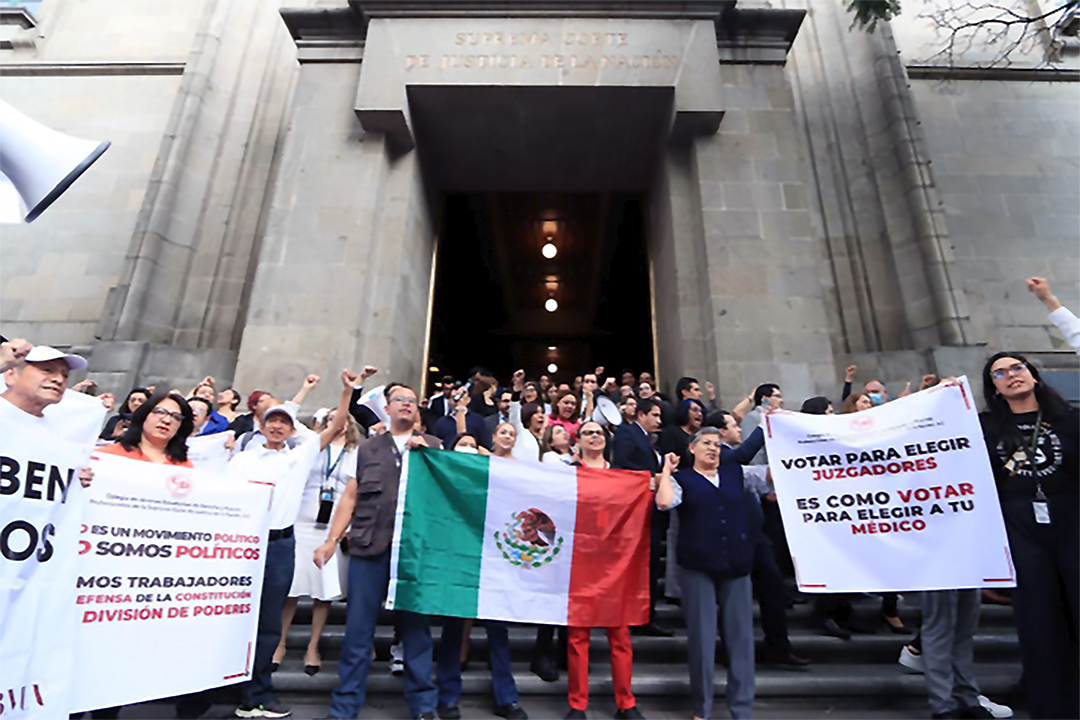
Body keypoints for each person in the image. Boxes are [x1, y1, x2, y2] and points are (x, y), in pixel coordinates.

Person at [228, 370, 356, 719]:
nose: (278, 426)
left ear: (291, 429)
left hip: (282, 546)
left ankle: (258, 694)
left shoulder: (298, 457)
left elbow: (336, 425)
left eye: (285, 422)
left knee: (270, 622)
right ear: (261, 424)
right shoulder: (242, 460)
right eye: (273, 421)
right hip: (243, 546)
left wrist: (347, 391)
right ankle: (226, 688)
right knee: (235, 619)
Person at [313, 385, 444, 720]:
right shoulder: (367, 448)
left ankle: (424, 705)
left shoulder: (435, 447)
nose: (406, 405)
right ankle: (345, 706)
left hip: (414, 555)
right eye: (400, 399)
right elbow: (350, 498)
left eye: (412, 402)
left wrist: (428, 456)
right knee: (358, 630)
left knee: (416, 632)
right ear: (387, 407)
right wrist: (331, 539)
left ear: (417, 412)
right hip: (369, 548)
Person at [979, 351, 1080, 720]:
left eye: (1017, 368)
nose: (1011, 375)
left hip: (1072, 525)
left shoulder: (1069, 420)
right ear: (994, 387)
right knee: (1039, 624)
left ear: (1033, 375)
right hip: (1021, 531)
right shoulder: (985, 427)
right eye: (999, 373)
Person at [655, 429, 757, 720]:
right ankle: (702, 708)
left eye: (717, 445)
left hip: (735, 565)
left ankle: (742, 708)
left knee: (741, 639)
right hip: (697, 567)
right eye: (706, 444)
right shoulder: (683, 479)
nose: (713, 449)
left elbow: (775, 477)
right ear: (692, 448)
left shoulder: (737, 473)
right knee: (701, 639)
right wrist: (665, 470)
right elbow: (663, 502)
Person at [436, 421, 528, 720]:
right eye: (462, 444)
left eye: (472, 445)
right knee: (452, 630)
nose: (468, 449)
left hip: (494, 560)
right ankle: (447, 697)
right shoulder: (446, 477)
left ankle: (507, 698)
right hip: (458, 560)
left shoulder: (493, 474)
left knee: (498, 631)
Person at [563, 419, 644, 720]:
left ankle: (626, 702)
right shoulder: (567, 475)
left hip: (616, 564)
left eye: (599, 433)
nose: (595, 437)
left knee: (620, 636)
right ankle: (577, 705)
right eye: (588, 433)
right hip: (579, 562)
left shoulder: (622, 476)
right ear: (578, 441)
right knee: (577, 637)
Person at [272, 409, 361, 676]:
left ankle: (313, 646)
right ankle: (280, 642)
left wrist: (349, 527)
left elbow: (356, 493)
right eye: (333, 416)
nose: (339, 421)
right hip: (302, 515)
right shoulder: (312, 445)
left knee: (323, 590)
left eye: (343, 417)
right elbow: (286, 414)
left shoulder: (357, 452)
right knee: (292, 585)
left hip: (334, 522)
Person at [611, 398, 671, 637]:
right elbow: (622, 465)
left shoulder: (648, 439)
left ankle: (647, 616)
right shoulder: (627, 433)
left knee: (652, 565)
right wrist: (651, 476)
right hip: (636, 510)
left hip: (651, 509)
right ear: (642, 414)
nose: (659, 420)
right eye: (655, 415)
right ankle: (638, 616)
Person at [658, 399, 705, 469]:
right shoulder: (671, 433)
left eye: (701, 411)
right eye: (695, 410)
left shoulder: (701, 434)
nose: (700, 414)